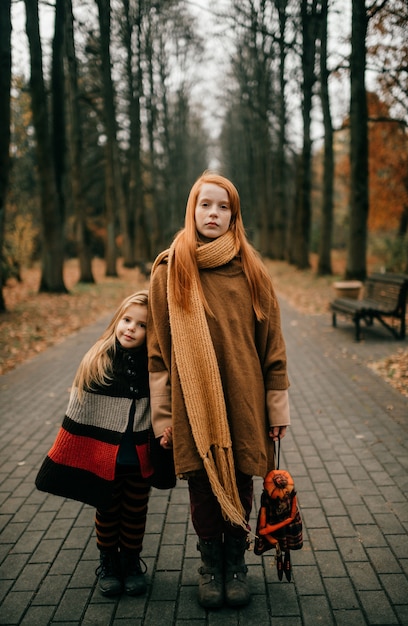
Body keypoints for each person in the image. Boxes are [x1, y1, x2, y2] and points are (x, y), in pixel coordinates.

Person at [147, 172, 290, 609]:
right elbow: (158, 351)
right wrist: (163, 416)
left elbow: (273, 347)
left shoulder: (252, 269)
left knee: (242, 479)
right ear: (192, 209)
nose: (214, 213)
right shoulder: (171, 270)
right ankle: (210, 564)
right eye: (205, 204)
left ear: (234, 215)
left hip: (244, 398)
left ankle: (235, 562)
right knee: (201, 486)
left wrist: (277, 407)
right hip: (193, 405)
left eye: (223, 206)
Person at [35, 290, 152, 597]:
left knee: (136, 511)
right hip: (104, 458)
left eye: (142, 325)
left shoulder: (154, 367)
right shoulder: (98, 360)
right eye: (127, 320)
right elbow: (79, 409)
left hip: (138, 457)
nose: (131, 328)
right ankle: (109, 562)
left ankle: (130, 561)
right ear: (117, 320)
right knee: (107, 509)